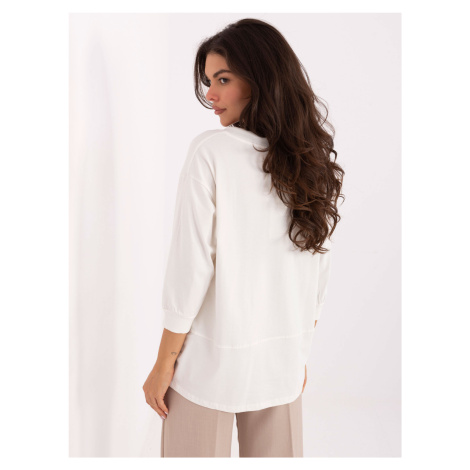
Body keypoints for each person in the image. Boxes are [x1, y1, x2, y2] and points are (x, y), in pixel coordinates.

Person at [142, 18, 345, 458]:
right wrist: (296, 352)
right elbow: (317, 273)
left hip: (207, 365)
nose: (211, 95)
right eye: (208, 82)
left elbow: (190, 268)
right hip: (281, 364)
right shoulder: (309, 162)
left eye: (223, 79)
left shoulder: (211, 152)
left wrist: (163, 365)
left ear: (260, 78)